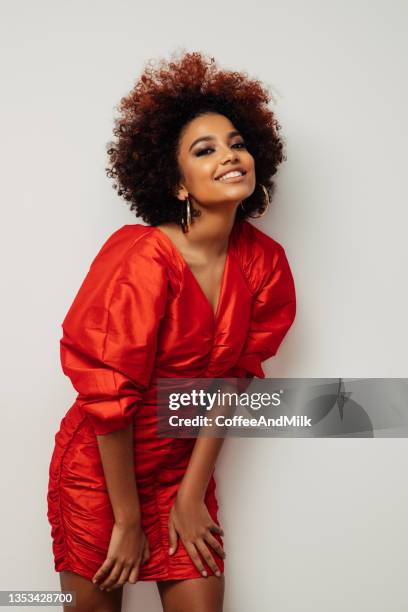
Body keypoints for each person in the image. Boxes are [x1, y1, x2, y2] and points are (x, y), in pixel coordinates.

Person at [47, 50, 297, 612]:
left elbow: (233, 380)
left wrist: (189, 495)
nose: (230, 156)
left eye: (236, 143)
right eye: (204, 150)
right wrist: (130, 520)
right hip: (102, 474)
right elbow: (107, 401)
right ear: (177, 183)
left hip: (182, 468)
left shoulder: (265, 263)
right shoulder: (139, 258)